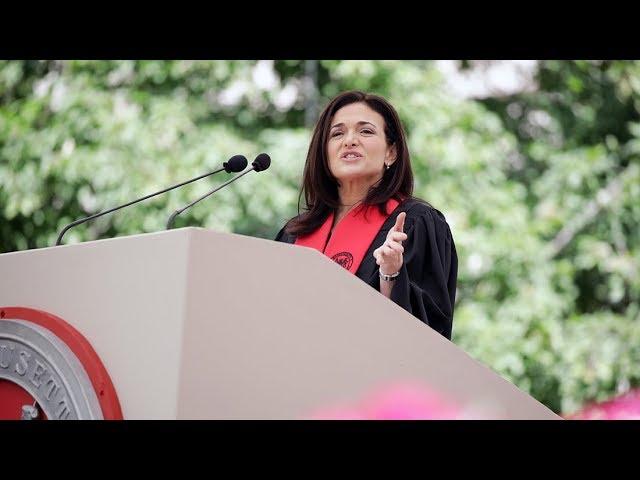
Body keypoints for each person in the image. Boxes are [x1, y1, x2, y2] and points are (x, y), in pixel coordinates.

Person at [275, 91, 457, 340]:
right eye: (337, 133)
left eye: (366, 131)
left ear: (391, 152)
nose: (349, 140)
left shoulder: (414, 223)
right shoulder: (294, 234)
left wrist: (391, 275)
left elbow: (429, 332)